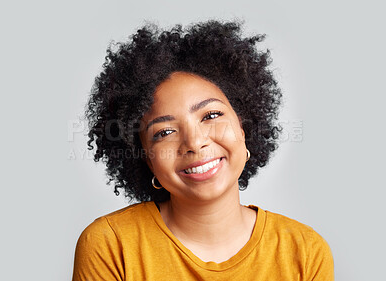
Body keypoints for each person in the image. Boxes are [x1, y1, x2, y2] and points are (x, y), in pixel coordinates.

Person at [72, 20, 334, 280]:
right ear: (148, 160)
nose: (195, 143)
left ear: (243, 127)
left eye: (210, 116)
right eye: (164, 132)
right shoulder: (111, 244)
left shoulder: (305, 251)